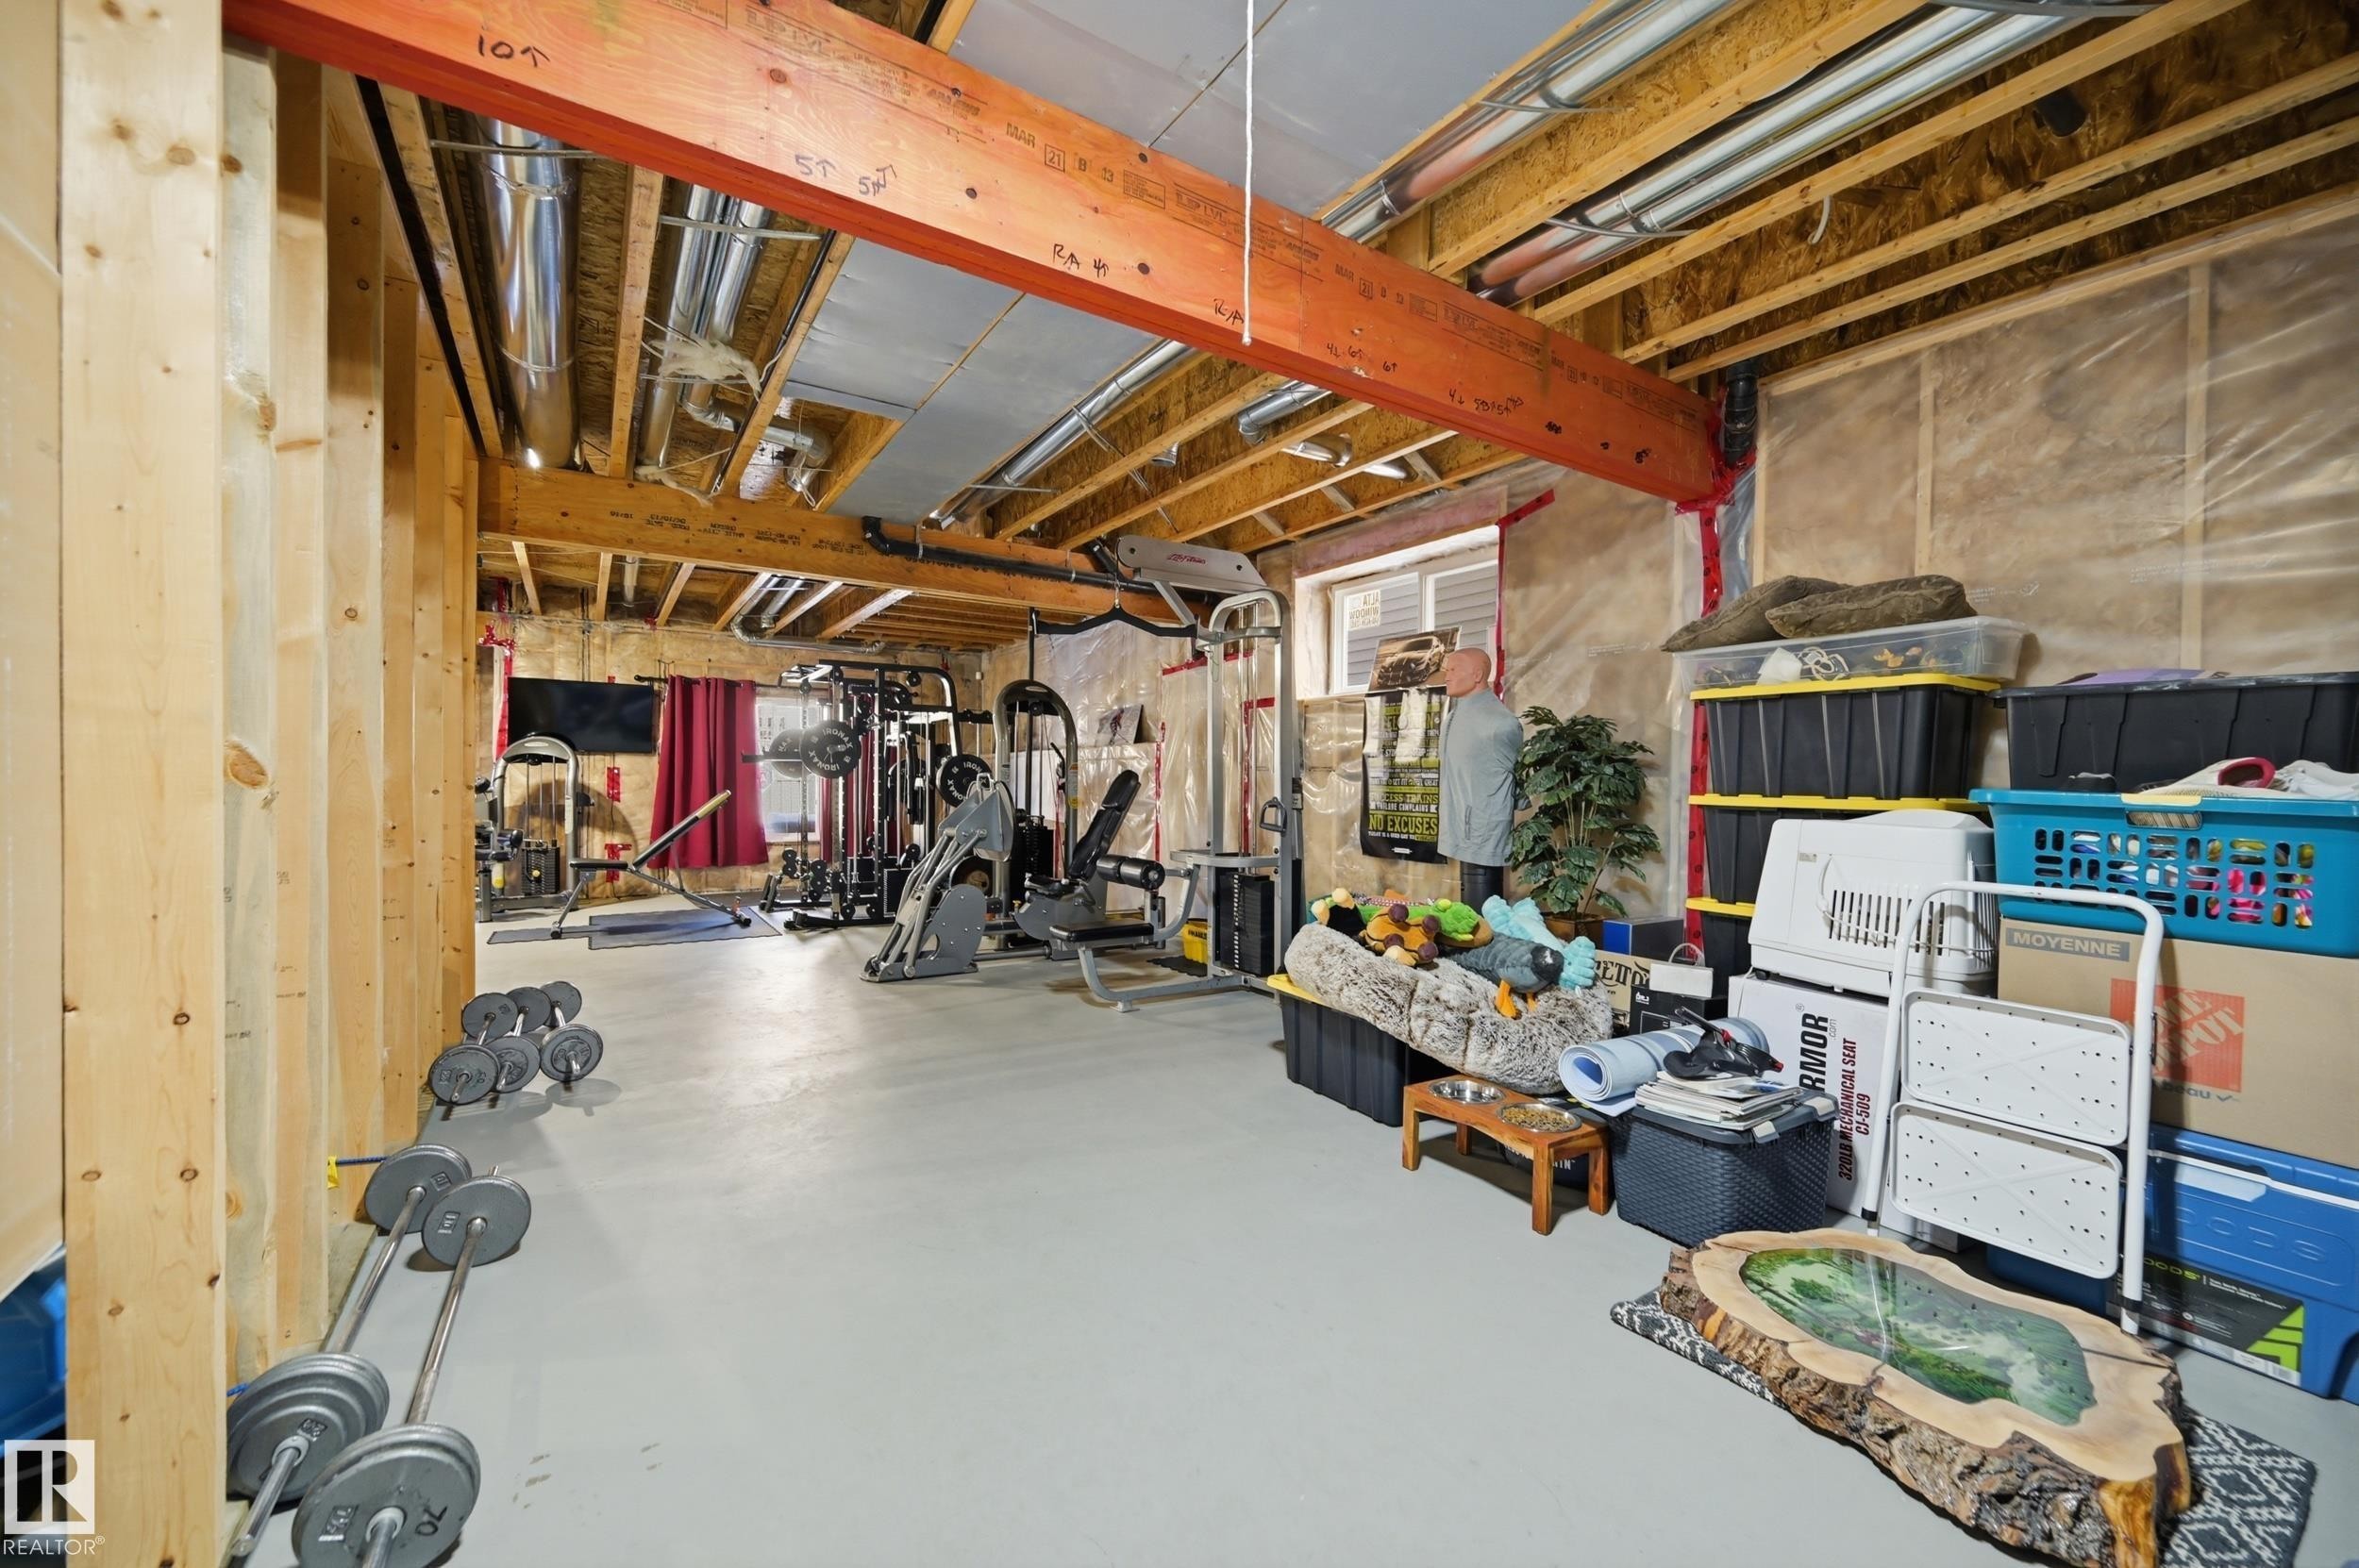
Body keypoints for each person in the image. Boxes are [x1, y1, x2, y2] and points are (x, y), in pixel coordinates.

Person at [1437, 647, 1521, 907]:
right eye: (1446, 670)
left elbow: (1521, 778)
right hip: (1460, 822)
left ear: (1477, 675)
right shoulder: (1454, 716)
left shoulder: (1500, 723)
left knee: (1486, 914)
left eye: (1453, 670)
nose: (1447, 677)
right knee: (1469, 917)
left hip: (1484, 828)